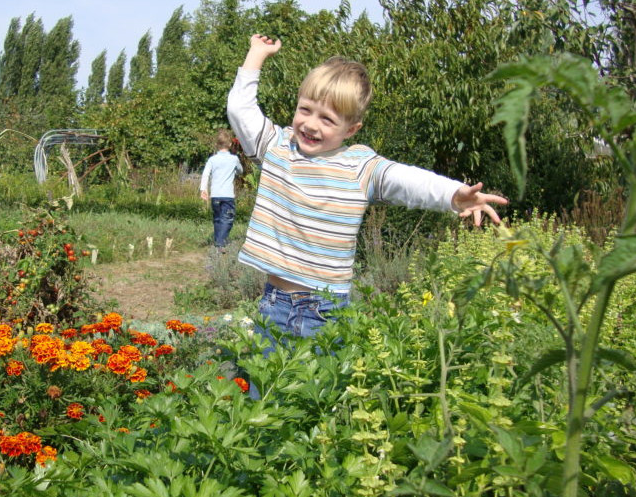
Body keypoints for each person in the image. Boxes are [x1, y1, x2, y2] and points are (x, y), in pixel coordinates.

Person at [227, 34, 508, 362]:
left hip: (325, 312)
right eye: (305, 110)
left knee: (316, 404)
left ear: (351, 130)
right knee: (264, 400)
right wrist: (256, 55)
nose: (311, 124)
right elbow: (239, 108)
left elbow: (406, 180)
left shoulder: (360, 166)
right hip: (273, 303)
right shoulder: (277, 146)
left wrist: (452, 194)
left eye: (328, 119)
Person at [199, 128, 244, 249]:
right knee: (228, 219)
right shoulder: (234, 159)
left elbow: (205, 174)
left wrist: (203, 189)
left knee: (218, 218)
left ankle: (218, 241)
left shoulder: (212, 160)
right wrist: (236, 171)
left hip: (215, 195)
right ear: (230, 144)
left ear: (216, 144)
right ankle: (220, 243)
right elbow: (241, 171)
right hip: (228, 195)